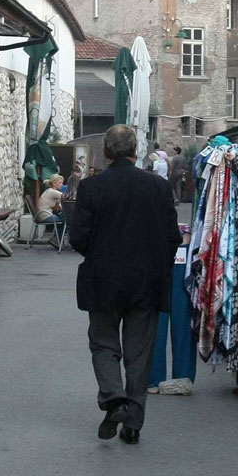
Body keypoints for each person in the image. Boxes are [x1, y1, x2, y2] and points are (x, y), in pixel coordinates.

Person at [71, 124, 181, 444]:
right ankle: (133, 423)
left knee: (103, 343)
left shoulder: (91, 187)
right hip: (146, 280)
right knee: (139, 352)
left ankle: (113, 397)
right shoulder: (158, 187)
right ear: (136, 151)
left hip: (103, 279)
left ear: (106, 152)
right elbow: (172, 237)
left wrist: (99, 255)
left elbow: (78, 237)